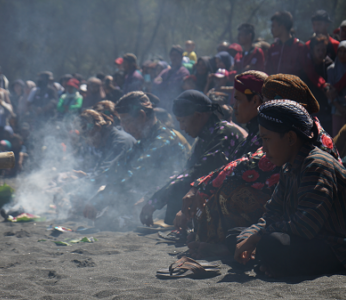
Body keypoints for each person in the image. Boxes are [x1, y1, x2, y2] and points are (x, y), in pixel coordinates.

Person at [185, 74, 340, 259]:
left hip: (319, 229)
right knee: (240, 234)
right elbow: (273, 209)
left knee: (266, 237)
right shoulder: (288, 140)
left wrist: (200, 187)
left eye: (265, 102)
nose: (262, 108)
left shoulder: (308, 145)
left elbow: (307, 221)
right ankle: (232, 246)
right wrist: (253, 234)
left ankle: (226, 247)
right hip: (292, 216)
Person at [234, 100, 346, 277]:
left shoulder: (317, 164)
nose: (264, 148)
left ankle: (271, 263)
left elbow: (307, 224)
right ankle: (270, 263)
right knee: (238, 235)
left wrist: (258, 238)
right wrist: (250, 236)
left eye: (267, 139)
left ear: (290, 138)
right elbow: (272, 213)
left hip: (335, 246)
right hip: (308, 240)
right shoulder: (288, 167)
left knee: (271, 243)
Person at [82, 91, 189, 228]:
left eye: (127, 122)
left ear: (142, 116)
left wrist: (98, 200)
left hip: (166, 203)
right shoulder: (142, 141)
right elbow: (116, 169)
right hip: (146, 197)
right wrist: (82, 189)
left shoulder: (162, 140)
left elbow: (132, 176)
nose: (125, 129)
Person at [140, 90, 245, 225]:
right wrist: (153, 199)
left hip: (232, 201)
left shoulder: (224, 134)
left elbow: (199, 172)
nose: (181, 127)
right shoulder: (203, 137)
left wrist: (155, 202)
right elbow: (186, 172)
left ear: (199, 115)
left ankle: (178, 227)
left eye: (183, 121)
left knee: (181, 188)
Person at [303, 34, 333, 134]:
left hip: (325, 109)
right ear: (312, 51)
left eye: (323, 50)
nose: (321, 53)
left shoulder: (329, 65)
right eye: (318, 50)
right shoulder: (306, 67)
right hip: (310, 109)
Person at [327, 41, 346, 136]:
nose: (342, 54)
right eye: (340, 51)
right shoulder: (331, 69)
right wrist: (339, 106)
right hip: (337, 109)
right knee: (338, 137)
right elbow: (330, 92)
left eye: (345, 52)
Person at [265, 11, 305, 76]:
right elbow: (267, 71)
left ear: (282, 26)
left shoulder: (299, 47)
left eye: (273, 26)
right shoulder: (273, 48)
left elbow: (308, 72)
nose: (271, 30)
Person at [153, 45, 190, 112]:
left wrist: (163, 83)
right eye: (172, 55)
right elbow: (155, 82)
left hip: (176, 107)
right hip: (163, 106)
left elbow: (174, 86)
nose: (174, 58)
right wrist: (167, 83)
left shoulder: (184, 72)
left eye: (176, 55)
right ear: (170, 56)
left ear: (181, 57)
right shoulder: (165, 71)